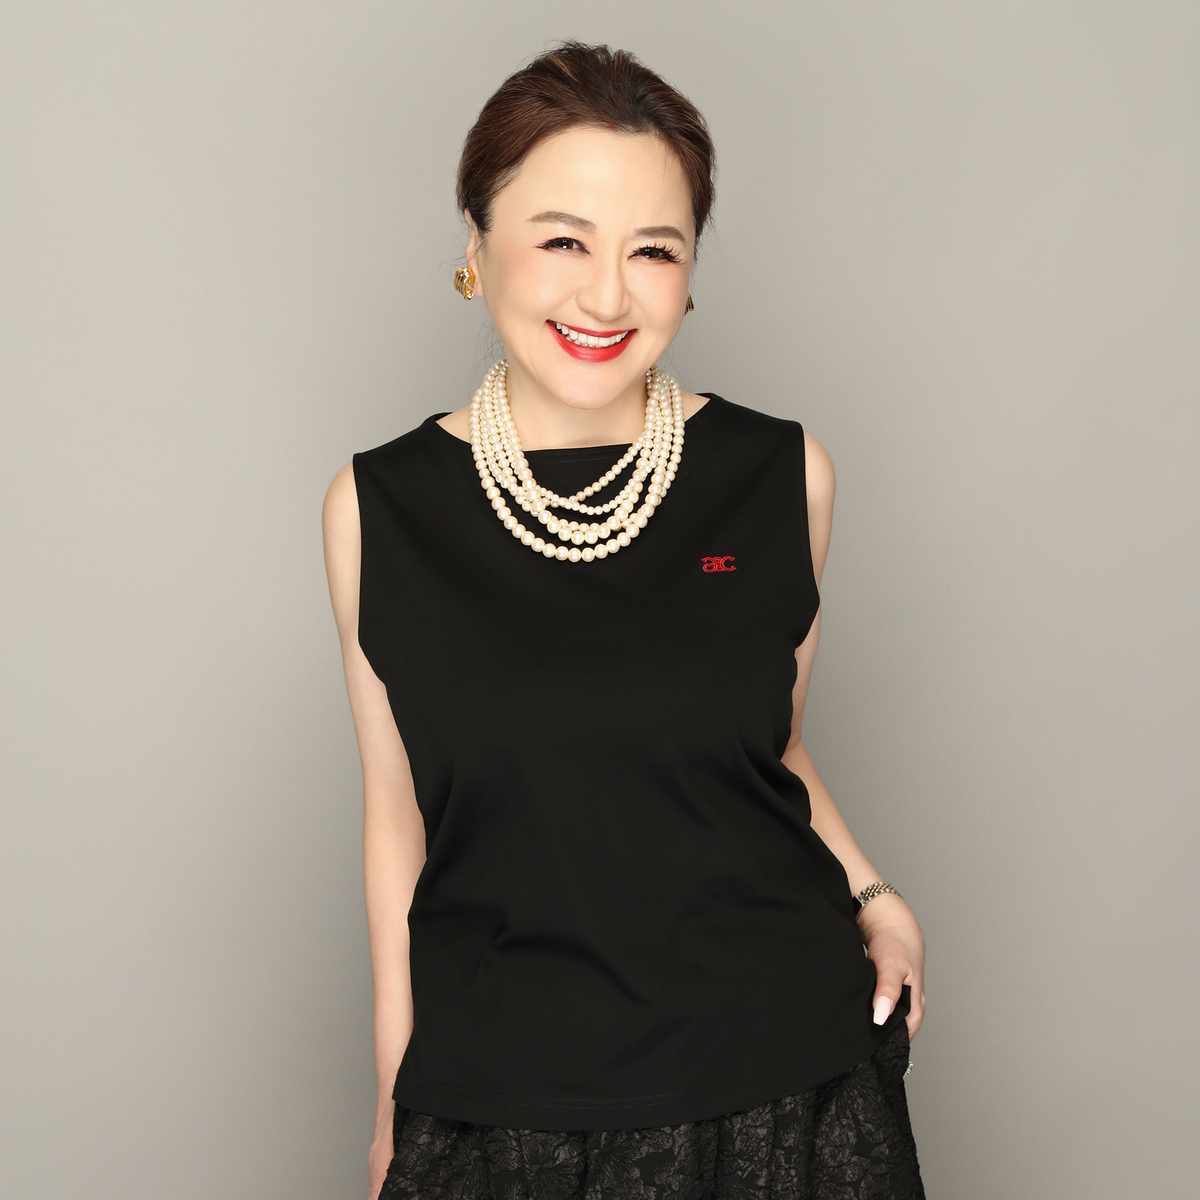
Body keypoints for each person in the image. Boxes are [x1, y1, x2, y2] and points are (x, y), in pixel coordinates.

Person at [323, 41, 927, 1200]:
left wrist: (872, 893)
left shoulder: (782, 475)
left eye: (654, 249)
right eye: (563, 240)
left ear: (690, 273)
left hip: (785, 1085)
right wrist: (394, 1094)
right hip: (506, 1104)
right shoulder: (377, 508)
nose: (607, 296)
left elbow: (772, 747)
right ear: (475, 245)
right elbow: (396, 822)